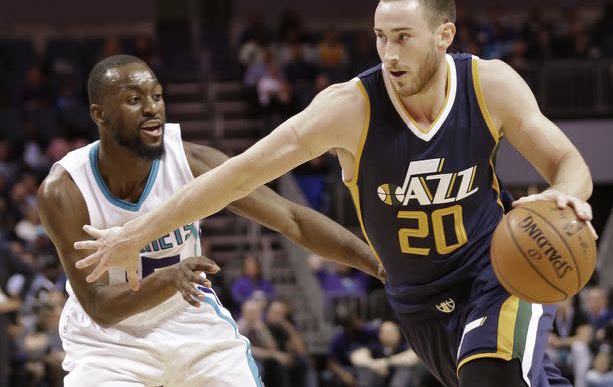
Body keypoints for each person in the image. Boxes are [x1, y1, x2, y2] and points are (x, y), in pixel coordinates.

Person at [77, 0, 595, 387]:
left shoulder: (491, 85)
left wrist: (565, 199)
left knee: (492, 373)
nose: (389, 53)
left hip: (499, 269)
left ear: (444, 37)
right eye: (380, 37)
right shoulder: (349, 107)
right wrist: (136, 232)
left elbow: (569, 165)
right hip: (418, 302)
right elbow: (237, 177)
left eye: (403, 38)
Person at [36, 55, 383, 386]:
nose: (151, 107)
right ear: (100, 115)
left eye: (157, 96)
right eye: (133, 99)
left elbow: (292, 218)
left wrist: (381, 267)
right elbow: (100, 308)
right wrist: (169, 277)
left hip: (190, 321)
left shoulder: (192, 163)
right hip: (108, 344)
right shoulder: (65, 191)